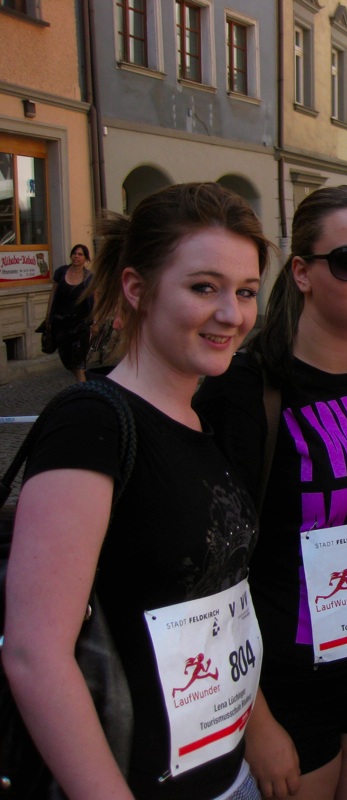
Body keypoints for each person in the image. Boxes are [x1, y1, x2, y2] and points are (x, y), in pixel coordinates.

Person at [3, 182, 270, 798]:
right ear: (136, 287)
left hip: (224, 771)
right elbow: (34, 653)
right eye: (203, 287)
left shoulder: (199, 416)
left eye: (246, 291)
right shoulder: (93, 423)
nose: (231, 314)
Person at [194, 186, 347, 800]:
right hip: (288, 685)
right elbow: (209, 575)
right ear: (301, 271)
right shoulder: (244, 393)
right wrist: (254, 720)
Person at [44, 243, 94, 381]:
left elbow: (94, 301)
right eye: (74, 253)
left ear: (86, 258)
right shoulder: (61, 272)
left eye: (80, 254)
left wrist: (95, 322)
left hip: (81, 324)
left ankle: (83, 387)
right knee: (67, 360)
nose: (76, 257)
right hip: (61, 323)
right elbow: (53, 294)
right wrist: (48, 317)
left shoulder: (89, 277)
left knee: (79, 361)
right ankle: (83, 382)